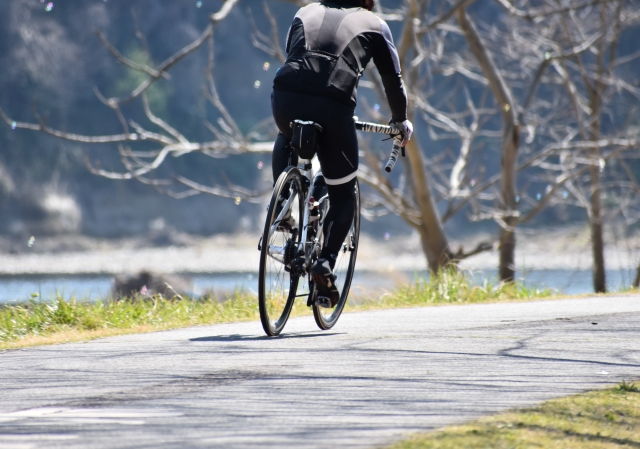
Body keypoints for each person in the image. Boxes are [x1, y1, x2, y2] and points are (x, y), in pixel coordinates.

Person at [271, 0, 412, 307]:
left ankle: (281, 207)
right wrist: (400, 121)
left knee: (287, 134)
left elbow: (294, 53)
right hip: (334, 106)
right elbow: (393, 81)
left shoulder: (304, 11)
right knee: (344, 194)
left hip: (284, 96)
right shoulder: (376, 25)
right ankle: (325, 264)